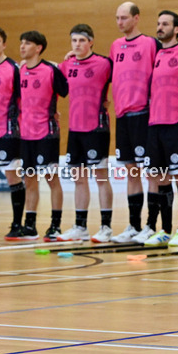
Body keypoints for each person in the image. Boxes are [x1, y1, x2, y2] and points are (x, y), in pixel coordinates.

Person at [144, 10, 178, 246]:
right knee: (161, 178)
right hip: (155, 123)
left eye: (165, 24)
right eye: (158, 23)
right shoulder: (154, 52)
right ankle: (165, 229)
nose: (160, 27)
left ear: (177, 29)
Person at [56, 24, 114, 242]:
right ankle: (80, 227)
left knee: (100, 177)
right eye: (74, 41)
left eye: (82, 40)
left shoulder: (104, 64)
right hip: (75, 130)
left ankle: (106, 227)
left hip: (96, 129)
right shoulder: (67, 64)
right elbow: (49, 75)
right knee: (78, 179)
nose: (77, 44)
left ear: (91, 42)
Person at [109, 2, 160, 243]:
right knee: (131, 171)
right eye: (117, 18)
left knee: (151, 172)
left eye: (124, 18)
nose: (120, 22)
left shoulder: (150, 43)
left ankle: (151, 225)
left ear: (136, 18)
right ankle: (133, 225)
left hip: (144, 115)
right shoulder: (115, 46)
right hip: (122, 117)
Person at [18, 30, 68, 242]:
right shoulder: (19, 71)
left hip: (46, 133)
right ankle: (30, 226)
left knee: (51, 179)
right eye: (21, 43)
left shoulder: (50, 70)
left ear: (38, 48)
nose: (22, 47)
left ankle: (55, 226)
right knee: (29, 181)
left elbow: (65, 90)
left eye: (27, 44)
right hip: (25, 134)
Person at [0, 26, 26, 240]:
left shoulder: (14, 68)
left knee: (12, 176)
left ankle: (17, 224)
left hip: (7, 131)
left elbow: (25, 99)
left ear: (4, 44)